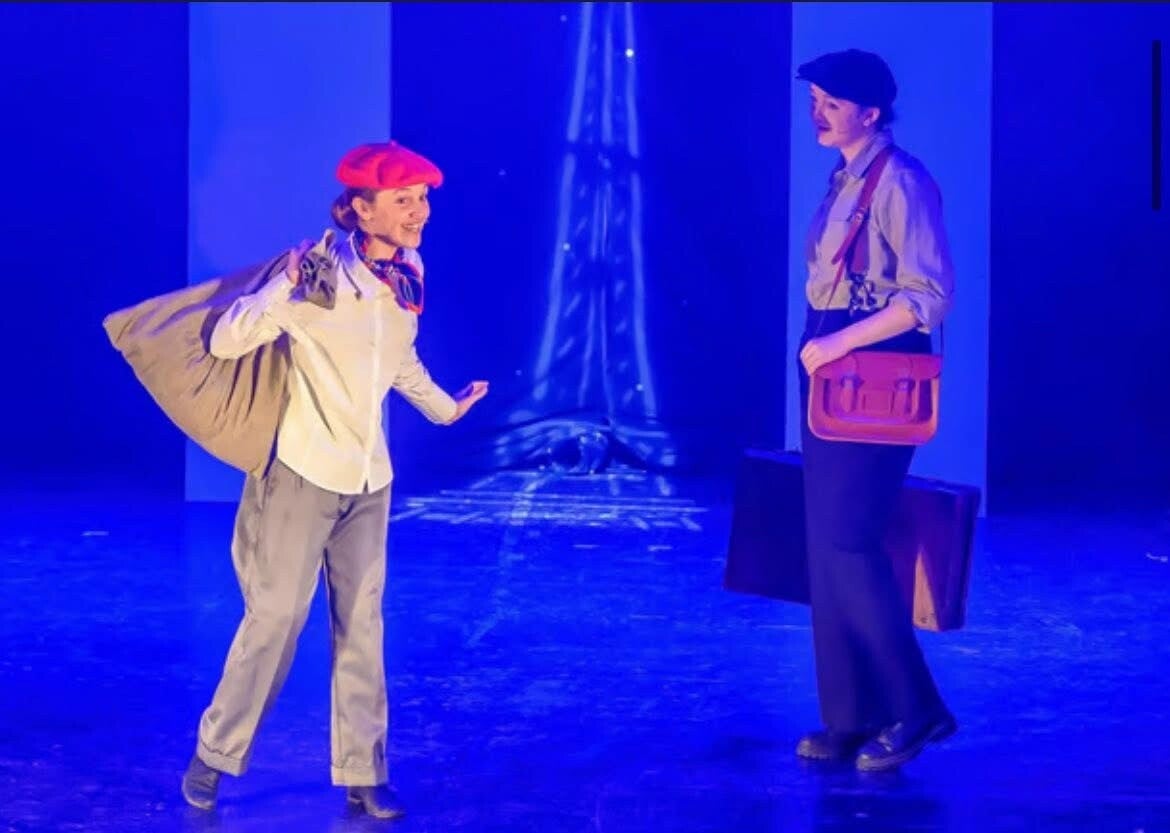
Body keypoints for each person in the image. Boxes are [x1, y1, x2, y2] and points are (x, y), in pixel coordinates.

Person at [180, 140, 489, 817]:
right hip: (303, 473)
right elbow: (226, 340)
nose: (420, 212)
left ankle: (362, 770)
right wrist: (283, 289)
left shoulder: (407, 273)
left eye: (422, 199)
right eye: (404, 200)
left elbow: (397, 360)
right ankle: (214, 753)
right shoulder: (317, 276)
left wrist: (445, 408)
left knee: (362, 626)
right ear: (361, 209)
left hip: (368, 478)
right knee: (276, 619)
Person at [793, 49, 957, 772]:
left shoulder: (901, 180)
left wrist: (839, 344)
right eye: (816, 100)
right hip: (831, 357)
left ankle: (918, 708)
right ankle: (851, 715)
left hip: (870, 365)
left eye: (833, 102)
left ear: (871, 111)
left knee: (851, 541)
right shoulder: (847, 176)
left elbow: (927, 297)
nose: (819, 113)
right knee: (826, 547)